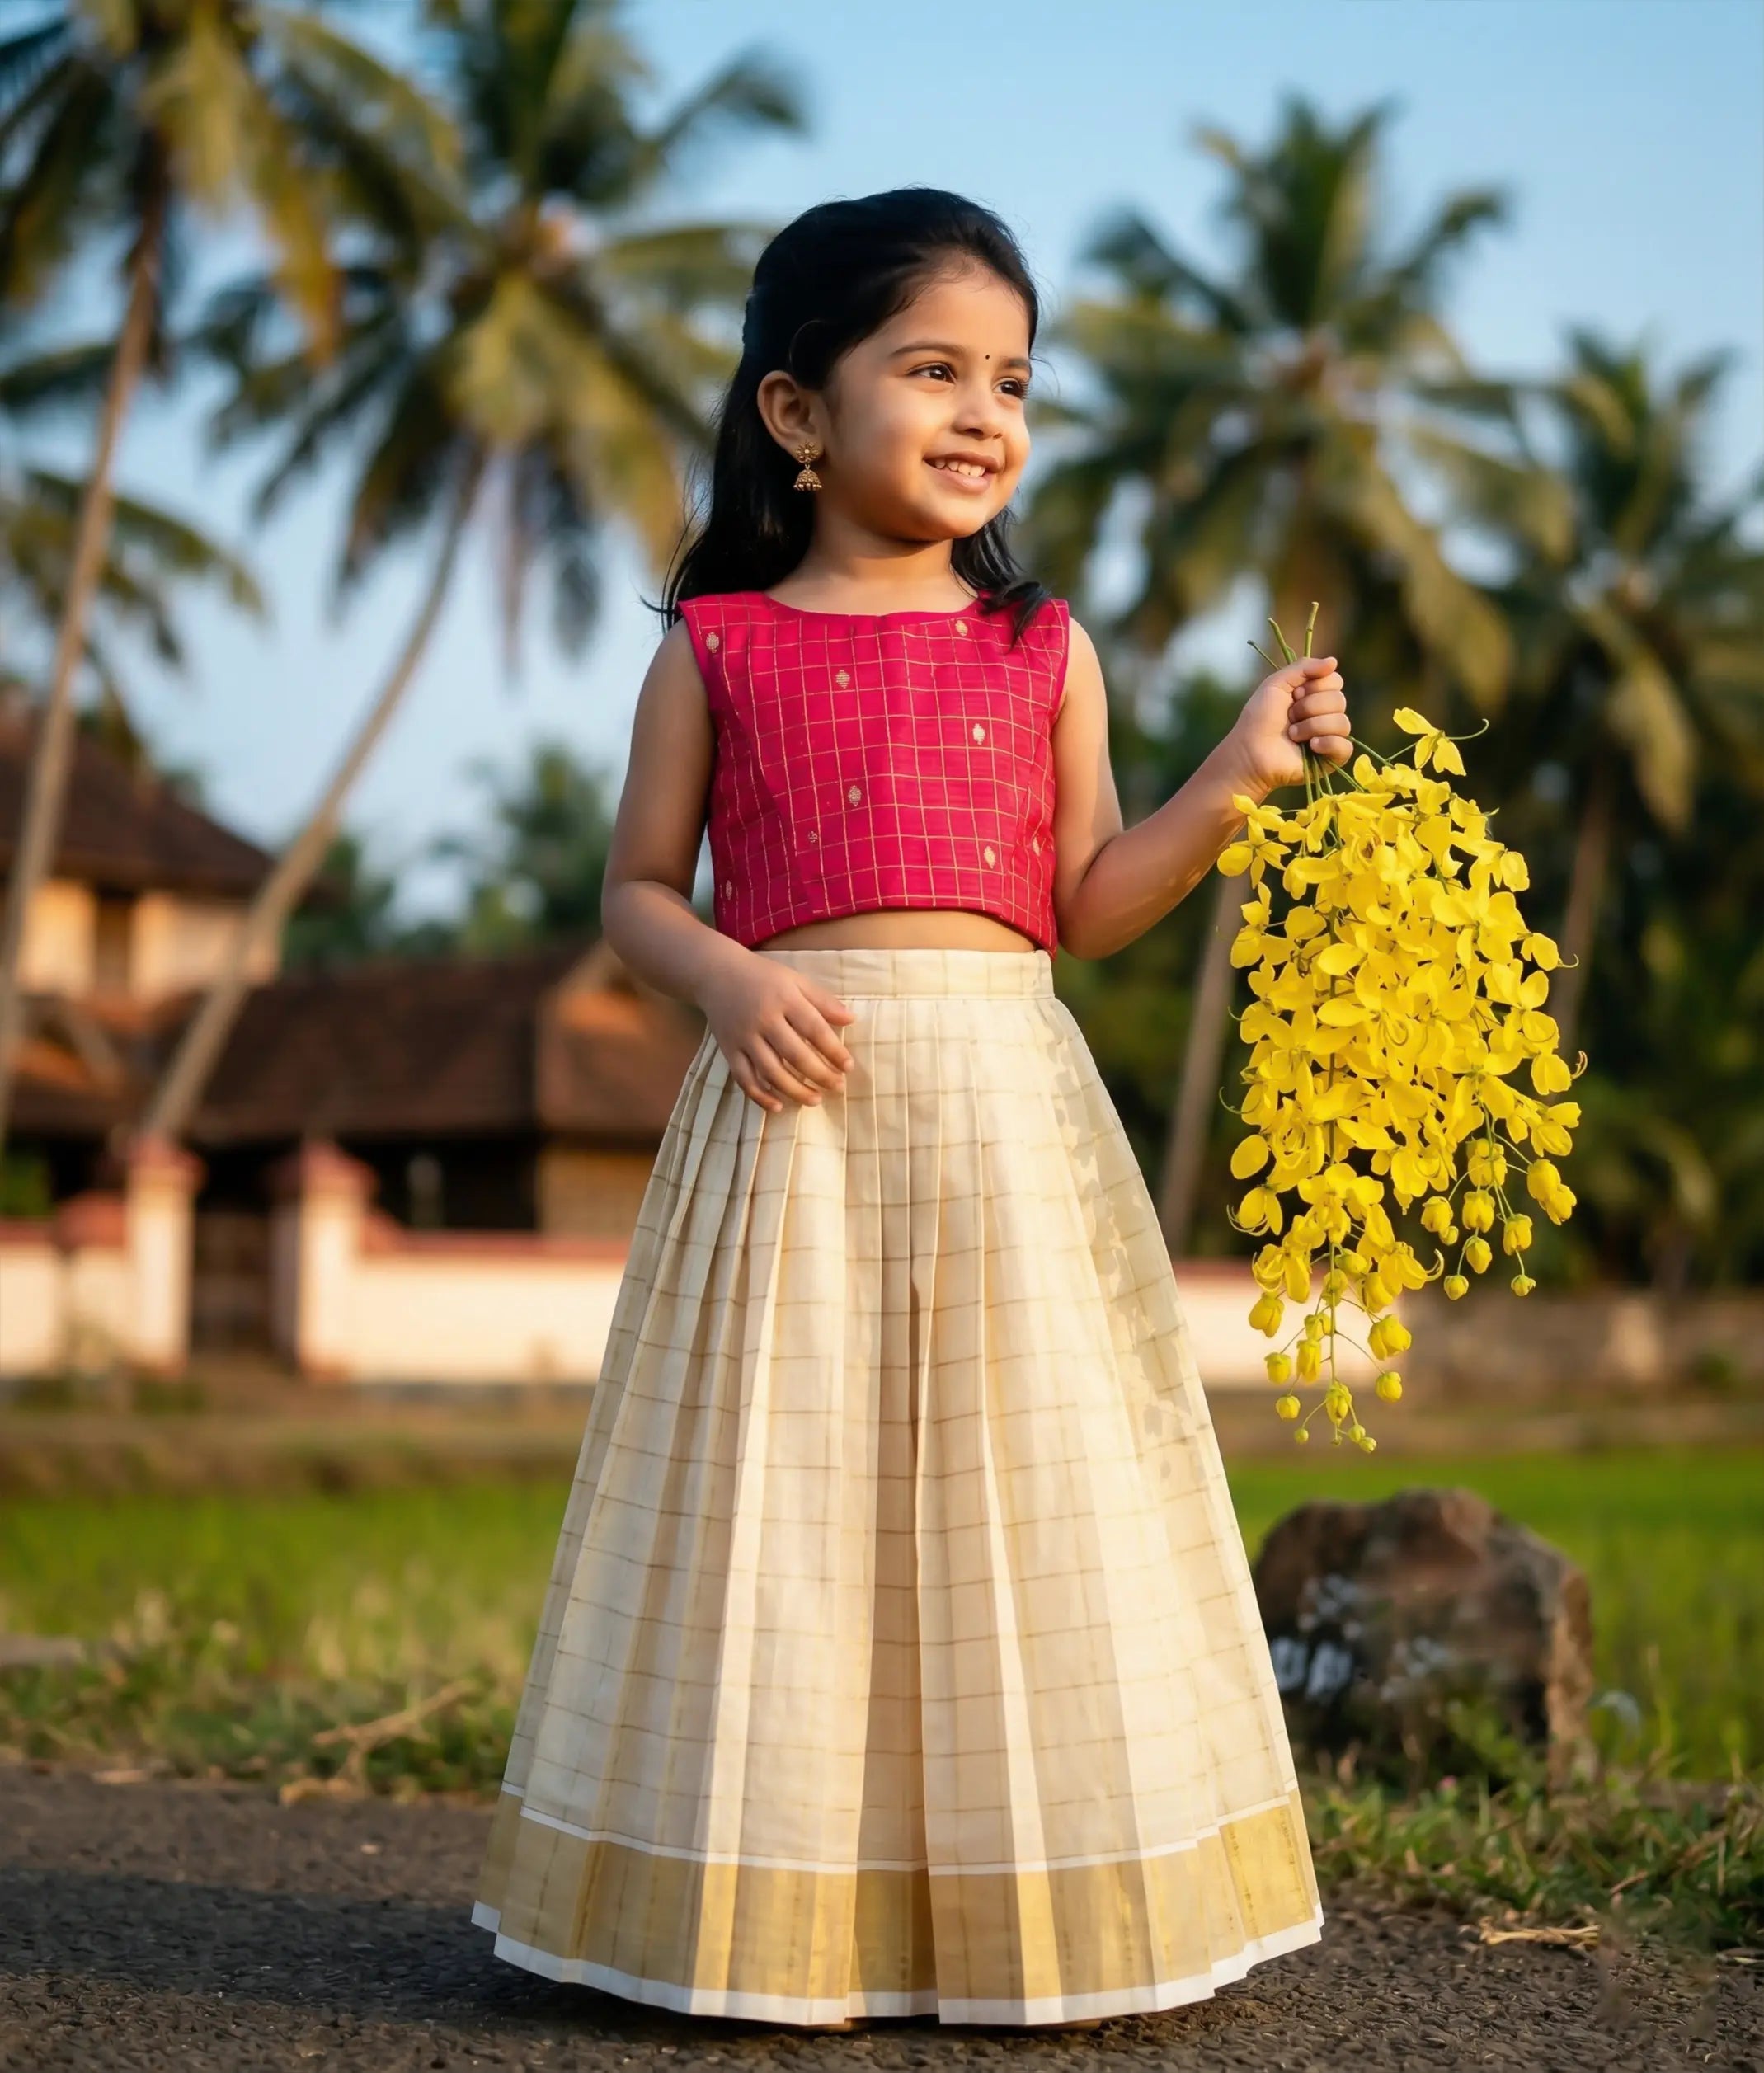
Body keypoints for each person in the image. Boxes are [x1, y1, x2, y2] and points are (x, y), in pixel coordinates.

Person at [473, 186, 1350, 2032]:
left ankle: (1017, 1908)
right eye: (930, 368)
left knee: (1019, 1505)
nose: (981, 416)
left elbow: (1085, 904)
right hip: (794, 1116)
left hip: (1003, 1122)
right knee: (787, 1516)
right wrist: (723, 979)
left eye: (1011, 381)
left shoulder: (1040, 650)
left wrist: (1237, 774)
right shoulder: (717, 645)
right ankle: (766, 1906)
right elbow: (635, 891)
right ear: (796, 415)